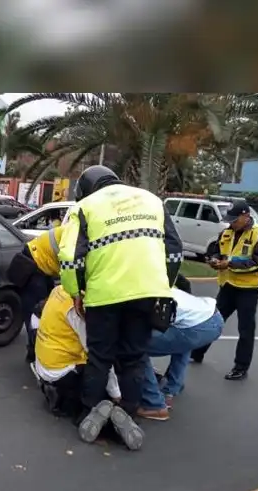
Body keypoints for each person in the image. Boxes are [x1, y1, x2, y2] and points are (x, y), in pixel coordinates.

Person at [58, 165, 183, 450]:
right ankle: (127, 412)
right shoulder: (152, 200)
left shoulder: (86, 207)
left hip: (105, 295)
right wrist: (164, 286)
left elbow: (69, 257)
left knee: (100, 357)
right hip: (148, 293)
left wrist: (75, 291)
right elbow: (174, 249)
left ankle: (89, 412)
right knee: (134, 357)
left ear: (86, 188)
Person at [190, 201, 258, 381]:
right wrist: (213, 260)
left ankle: (241, 366)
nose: (232, 223)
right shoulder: (226, 232)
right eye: (230, 219)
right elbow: (215, 251)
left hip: (248, 289)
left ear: (246, 216)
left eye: (235, 219)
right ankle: (197, 352)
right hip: (227, 285)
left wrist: (231, 264)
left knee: (246, 328)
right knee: (213, 321)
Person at [30, 285, 122, 421]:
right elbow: (97, 353)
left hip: (45, 361)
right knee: (100, 372)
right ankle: (88, 416)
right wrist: (116, 394)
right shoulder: (78, 309)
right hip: (62, 370)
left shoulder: (60, 290)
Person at [138, 283, 224, 420]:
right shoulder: (154, 283)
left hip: (199, 327)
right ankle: (171, 388)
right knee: (181, 334)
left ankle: (154, 405)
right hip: (214, 317)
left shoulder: (139, 297)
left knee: (135, 347)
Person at [7, 224, 65, 363]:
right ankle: (34, 353)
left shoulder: (77, 230)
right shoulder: (77, 236)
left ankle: (40, 350)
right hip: (33, 266)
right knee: (36, 313)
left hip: (42, 265)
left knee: (47, 310)